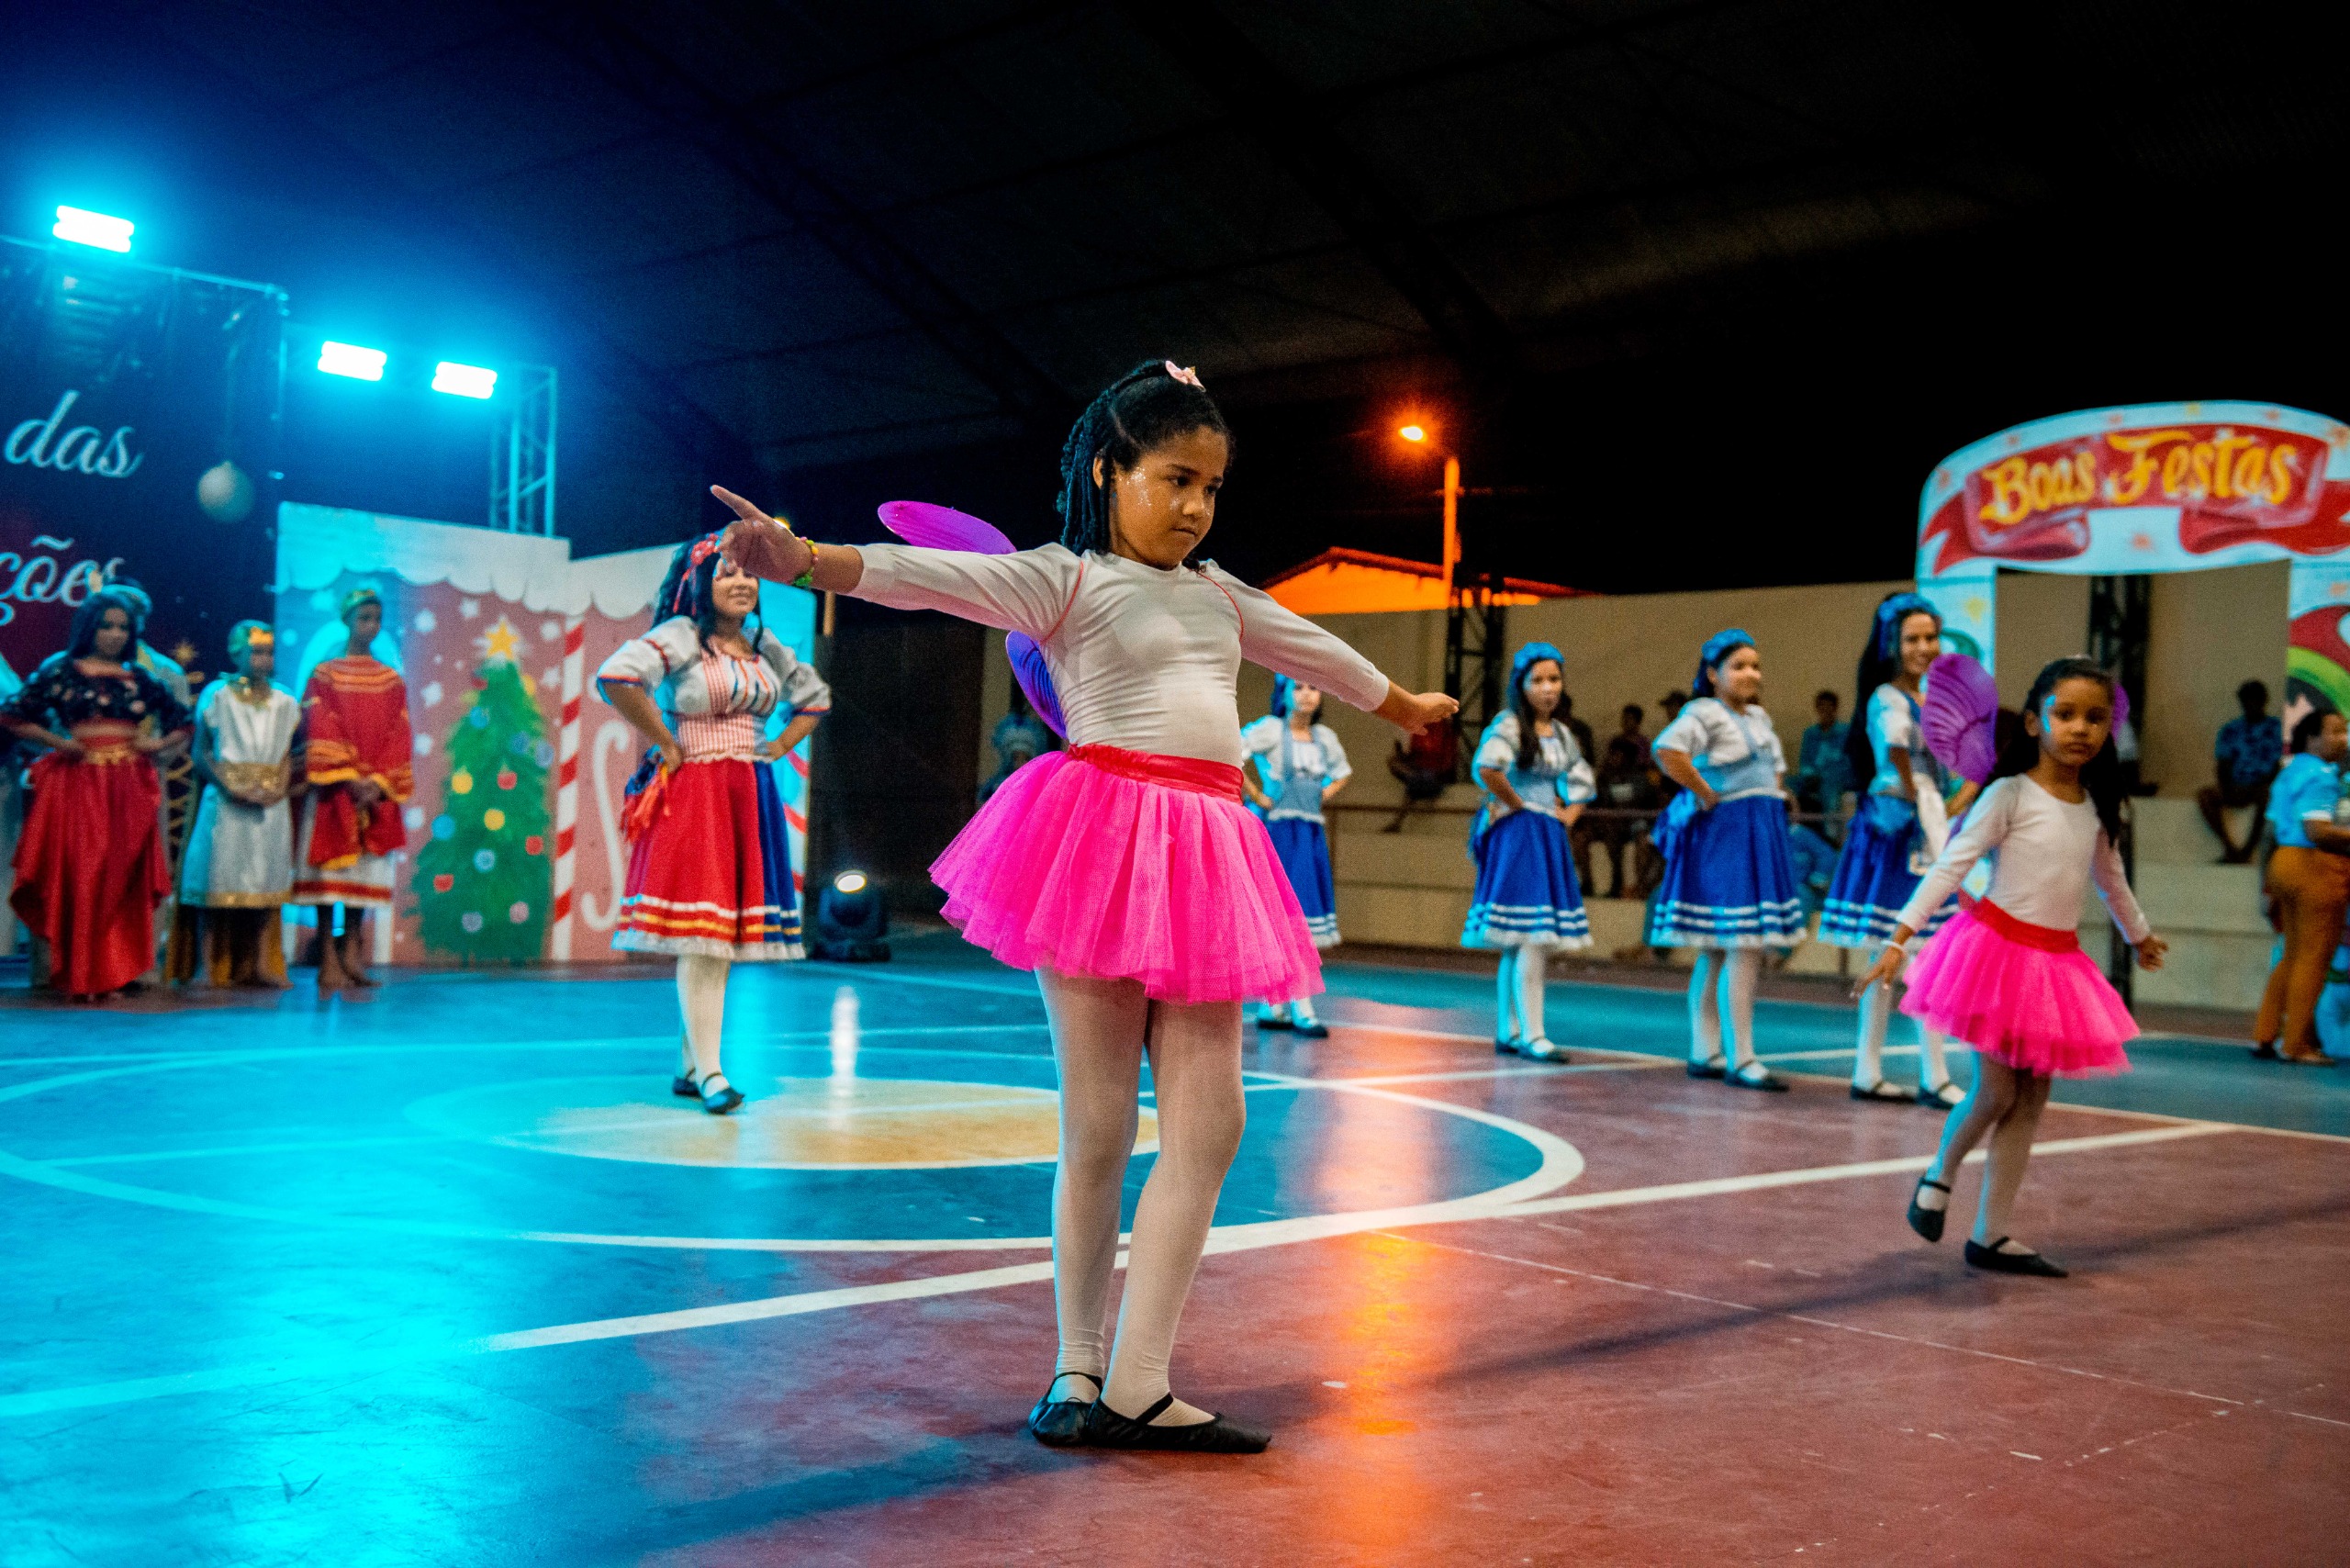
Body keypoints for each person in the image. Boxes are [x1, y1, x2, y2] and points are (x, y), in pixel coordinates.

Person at [711, 357, 1457, 1454]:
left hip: (1208, 852)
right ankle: (1077, 1368)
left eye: (1211, 486)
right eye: (1174, 479)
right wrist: (806, 559)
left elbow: (1312, 647)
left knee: (1211, 1121)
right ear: (1109, 469)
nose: (1196, 506)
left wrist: (1402, 703)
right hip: (1101, 842)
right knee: (1098, 1124)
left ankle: (1140, 1379)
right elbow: (927, 577)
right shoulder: (1064, 578)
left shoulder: (1219, 593)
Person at [1860, 656, 2166, 1278]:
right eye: (2064, 714)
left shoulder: (2095, 807)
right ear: (2033, 722)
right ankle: (1939, 1175)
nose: (2080, 728)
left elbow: (2110, 879)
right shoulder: (2009, 793)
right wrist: (1900, 935)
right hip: (1996, 955)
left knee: (2030, 1102)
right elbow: (1951, 864)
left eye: (2095, 718)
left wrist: (2140, 934)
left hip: (2055, 965)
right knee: (1997, 1091)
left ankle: (1992, 1234)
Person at [598, 534, 832, 1114]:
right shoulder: (682, 635)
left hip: (748, 792)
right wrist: (664, 740)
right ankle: (711, 1073)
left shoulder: (762, 644)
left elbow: (814, 698)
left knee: (716, 938)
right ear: (701, 583)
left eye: (748, 574)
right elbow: (617, 677)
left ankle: (690, 1064)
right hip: (697, 793)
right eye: (727, 573)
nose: (742, 583)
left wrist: (778, 745)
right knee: (705, 940)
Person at [1820, 593, 1979, 1108]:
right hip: (1897, 830)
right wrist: (1919, 796)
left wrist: (1948, 801)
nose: (1924, 647)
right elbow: (1894, 749)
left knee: (1917, 952)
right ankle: (1909, 1073)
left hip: (1917, 825)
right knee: (1906, 952)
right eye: (1912, 639)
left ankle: (1895, 1071)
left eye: (1931, 637)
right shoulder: (1888, 697)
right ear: (1892, 643)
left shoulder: (1927, 697)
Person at [2, 589, 193, 997]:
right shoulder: (62, 671)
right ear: (89, 628)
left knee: (119, 877)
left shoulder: (141, 678)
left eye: (123, 627)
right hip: (77, 784)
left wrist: (157, 746)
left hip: (128, 788)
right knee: (81, 874)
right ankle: (78, 972)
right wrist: (59, 743)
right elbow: (13, 715)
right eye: (106, 626)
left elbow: (183, 721)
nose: (115, 634)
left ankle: (109, 971)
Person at [1649, 630, 1805, 1091]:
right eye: (1738, 666)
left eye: (1755, 665)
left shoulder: (1758, 717)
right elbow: (1667, 750)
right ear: (1713, 674)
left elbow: (1775, 773)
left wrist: (1774, 802)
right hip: (1727, 837)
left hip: (1757, 833)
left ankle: (1707, 1051)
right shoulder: (1704, 712)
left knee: (1721, 948)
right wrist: (1704, 791)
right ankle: (1742, 1057)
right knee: (1740, 945)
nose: (1750, 674)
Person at [1461, 643, 1594, 1061]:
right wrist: (1518, 804)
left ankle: (1512, 1031)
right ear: (1521, 684)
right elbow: (1487, 768)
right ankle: (1532, 1034)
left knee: (1521, 941)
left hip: (1543, 835)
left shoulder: (1562, 735)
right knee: (1530, 937)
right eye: (1538, 680)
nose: (1548, 687)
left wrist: (1567, 815)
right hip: (1519, 836)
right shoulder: (1509, 725)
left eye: (1554, 679)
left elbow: (1581, 780)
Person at [290, 587, 415, 990]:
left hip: (371, 792)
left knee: (363, 875)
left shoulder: (390, 679)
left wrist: (377, 781)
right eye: (364, 618)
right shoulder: (325, 675)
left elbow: (397, 732)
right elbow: (319, 724)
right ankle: (327, 954)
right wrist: (346, 775)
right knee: (329, 876)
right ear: (347, 620)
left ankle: (352, 953)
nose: (371, 626)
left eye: (377, 619)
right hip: (335, 789)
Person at [173, 622, 303, 987]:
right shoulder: (218, 696)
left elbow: (286, 755)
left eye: (269, 653)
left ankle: (261, 963)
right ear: (236, 654)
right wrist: (228, 787)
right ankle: (206, 965)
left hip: (269, 804)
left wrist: (279, 789)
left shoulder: (284, 700)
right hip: (226, 802)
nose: (264, 660)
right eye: (256, 652)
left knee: (265, 883)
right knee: (217, 881)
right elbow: (201, 753)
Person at [1242, 675, 1350, 1037]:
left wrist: (1324, 794)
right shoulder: (1271, 730)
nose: (1306, 694)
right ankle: (1283, 1005)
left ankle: (1290, 1005)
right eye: (1299, 687)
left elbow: (1342, 774)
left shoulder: (1324, 738)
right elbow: (1234, 753)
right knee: (1282, 918)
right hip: (1278, 834)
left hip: (1308, 835)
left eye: (1313, 688)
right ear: (1284, 693)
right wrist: (1258, 796)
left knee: (1300, 919)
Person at [2249, 709, 2349, 1065]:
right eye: (2335, 732)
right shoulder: (2322, 776)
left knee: (2290, 954)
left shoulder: (2289, 771)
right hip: (2313, 868)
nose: (2344, 739)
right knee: (2313, 958)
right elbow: (2317, 831)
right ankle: (2295, 1045)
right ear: (2312, 739)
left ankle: (2265, 1034)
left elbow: (2270, 832)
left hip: (2283, 863)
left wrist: (2265, 885)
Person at [2199, 680, 2283, 863]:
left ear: (2263, 701)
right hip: (2235, 787)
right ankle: (2230, 848)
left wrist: (2263, 784)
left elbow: (2278, 765)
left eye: (2255, 700)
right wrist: (2227, 787)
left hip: (2262, 787)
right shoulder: (2230, 730)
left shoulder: (2276, 729)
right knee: (2205, 796)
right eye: (2247, 700)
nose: (2251, 704)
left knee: (2269, 797)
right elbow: (2223, 764)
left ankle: (2247, 851)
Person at [1592, 703, 1656, 898]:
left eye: (1617, 755)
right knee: (1610, 833)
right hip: (1617, 823)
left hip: (1637, 822)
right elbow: (1604, 802)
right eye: (1612, 754)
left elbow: (1643, 803)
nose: (1613, 758)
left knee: (1643, 837)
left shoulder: (1641, 778)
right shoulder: (1607, 778)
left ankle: (1641, 885)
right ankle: (1616, 880)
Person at [981, 685, 1055, 804]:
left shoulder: (1036, 785)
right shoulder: (1000, 784)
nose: (1020, 763)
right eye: (1016, 758)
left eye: (1025, 758)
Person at [1796, 689, 1853, 822]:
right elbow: (1805, 762)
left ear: (1835, 709)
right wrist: (1810, 775)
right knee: (1790, 785)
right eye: (1822, 707)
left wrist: (1829, 774)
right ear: (1817, 709)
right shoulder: (1810, 734)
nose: (1825, 711)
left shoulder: (1845, 732)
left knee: (1830, 787)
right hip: (1813, 778)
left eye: (1829, 707)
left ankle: (1830, 829)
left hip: (1838, 779)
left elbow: (1849, 763)